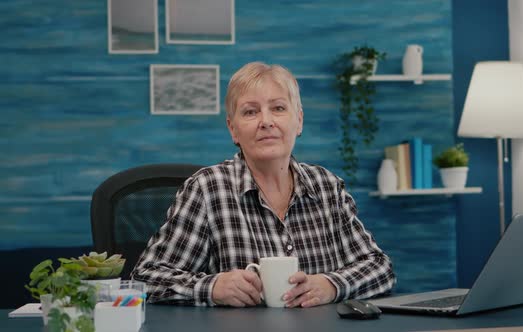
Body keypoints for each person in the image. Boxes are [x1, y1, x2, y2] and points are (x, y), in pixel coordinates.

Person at [131, 62, 395, 307]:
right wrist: (211, 287)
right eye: (250, 111)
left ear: (299, 121)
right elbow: (145, 278)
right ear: (233, 129)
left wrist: (331, 285)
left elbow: (380, 268)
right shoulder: (208, 189)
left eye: (278, 108)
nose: (266, 121)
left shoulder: (327, 187)